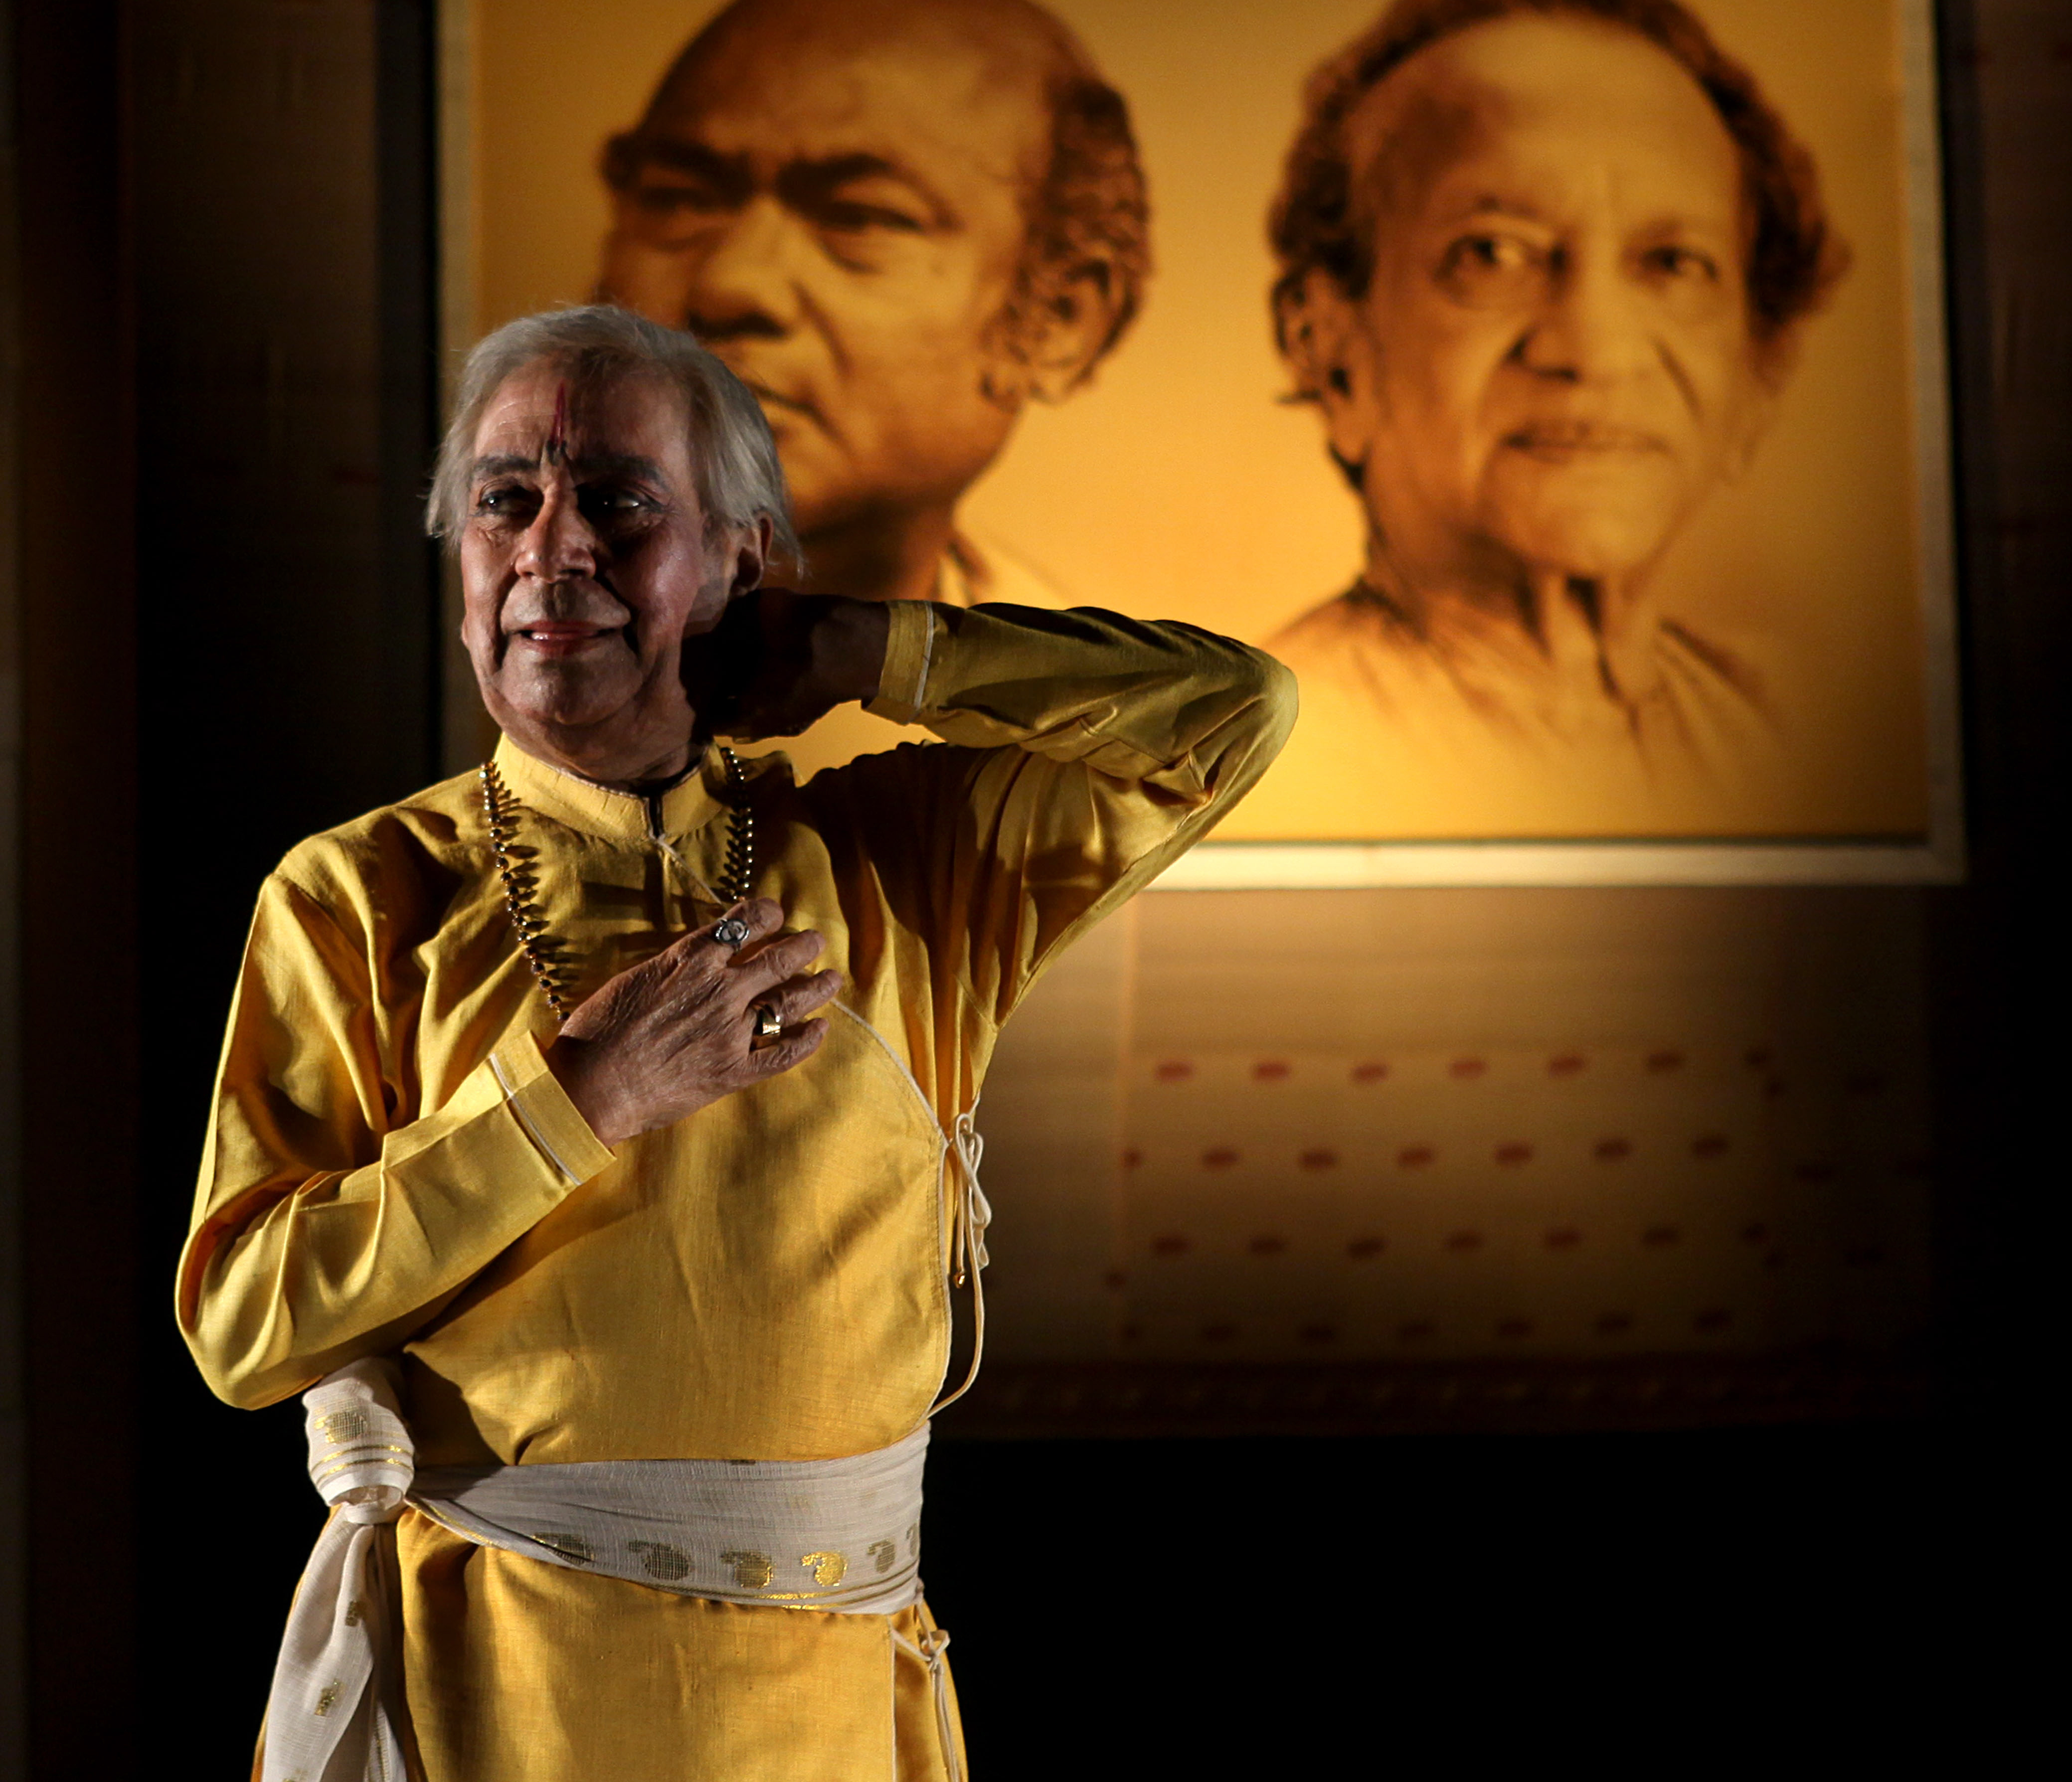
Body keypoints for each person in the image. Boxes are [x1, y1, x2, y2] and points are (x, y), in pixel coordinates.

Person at [177, 307, 1290, 1779]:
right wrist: (587, 1094)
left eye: (621, 503)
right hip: (504, 1705)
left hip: (829, 1715)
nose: (550, 548)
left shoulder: (906, 864)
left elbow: (1234, 714)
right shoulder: (356, 897)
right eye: (506, 498)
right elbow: (247, 1328)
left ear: (742, 561)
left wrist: (872, 651)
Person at [1225, 0, 1847, 840]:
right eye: (1493, 254)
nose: (1594, 349)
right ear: (1332, 355)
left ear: (1759, 381)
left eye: (1674, 264)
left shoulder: (1790, 728)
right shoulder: (1268, 765)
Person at [594, 0, 1151, 775]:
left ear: (1061, 319)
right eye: (680, 198)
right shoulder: (465, 643)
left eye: (860, 218)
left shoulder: (1091, 719)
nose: (730, 283)